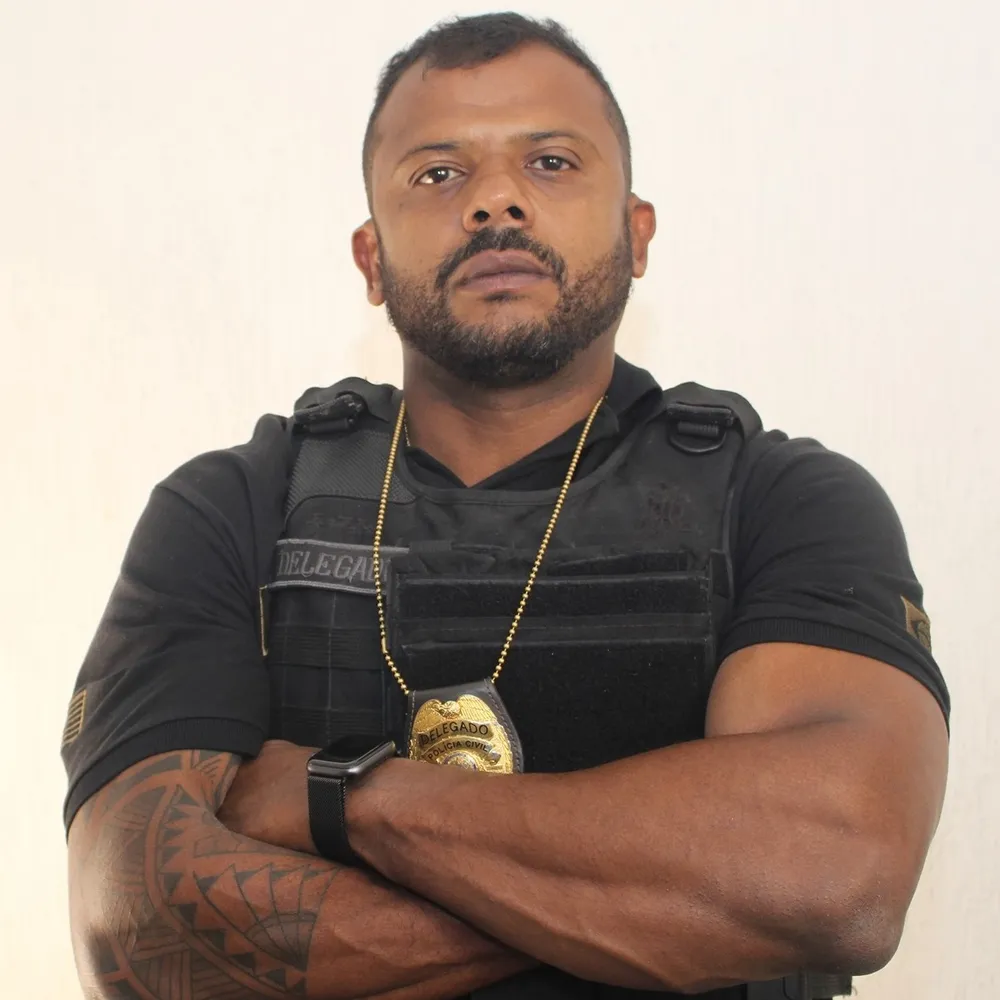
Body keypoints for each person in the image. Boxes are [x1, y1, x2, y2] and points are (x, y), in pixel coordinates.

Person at [63, 13, 949, 1000]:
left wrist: (345, 800)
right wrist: (671, 897)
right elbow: (135, 933)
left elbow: (834, 876)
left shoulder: (784, 500)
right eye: (438, 173)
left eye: (552, 163)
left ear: (636, 234)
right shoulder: (234, 507)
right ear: (370, 257)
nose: (495, 201)